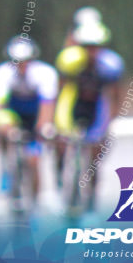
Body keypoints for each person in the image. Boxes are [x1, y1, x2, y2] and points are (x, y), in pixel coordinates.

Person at [53, 20, 124, 211]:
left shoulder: (110, 66)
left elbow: (115, 95)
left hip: (97, 106)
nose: (91, 52)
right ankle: (61, 171)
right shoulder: (69, 62)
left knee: (94, 153)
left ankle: (91, 191)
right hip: (73, 104)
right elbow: (60, 91)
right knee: (62, 140)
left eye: (95, 48)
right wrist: (56, 122)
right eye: (87, 47)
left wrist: (111, 121)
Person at [0, 36, 58, 210]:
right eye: (16, 62)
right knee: (1, 125)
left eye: (25, 62)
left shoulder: (45, 74)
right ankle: (5, 162)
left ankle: (35, 202)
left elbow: (47, 107)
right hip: (14, 112)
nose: (21, 66)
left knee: (34, 161)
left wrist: (43, 129)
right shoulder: (2, 73)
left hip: (35, 114)